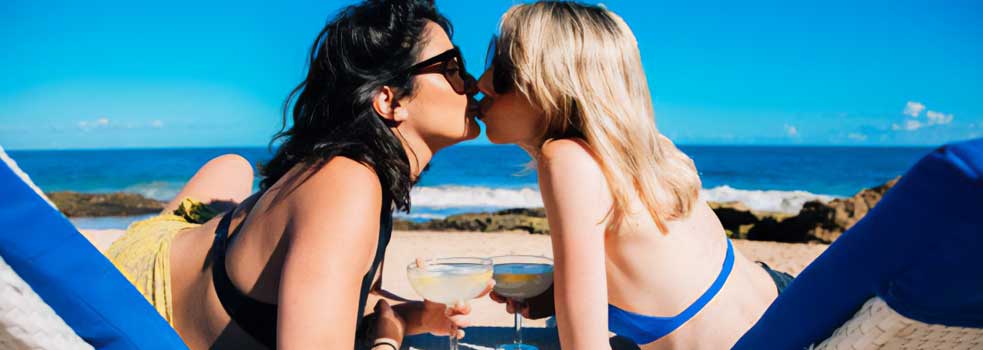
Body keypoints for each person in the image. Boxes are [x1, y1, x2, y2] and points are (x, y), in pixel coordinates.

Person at [99, 0, 486, 348]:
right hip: (139, 284)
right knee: (231, 168)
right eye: (451, 68)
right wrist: (389, 338)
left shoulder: (358, 177)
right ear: (390, 100)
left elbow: (334, 291)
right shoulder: (349, 184)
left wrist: (414, 315)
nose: (471, 84)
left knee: (233, 166)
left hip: (189, 242)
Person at [478, 2, 792, 349]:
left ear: (554, 85)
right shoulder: (650, 150)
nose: (482, 82)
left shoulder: (565, 160)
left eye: (504, 71)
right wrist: (557, 295)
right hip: (785, 303)